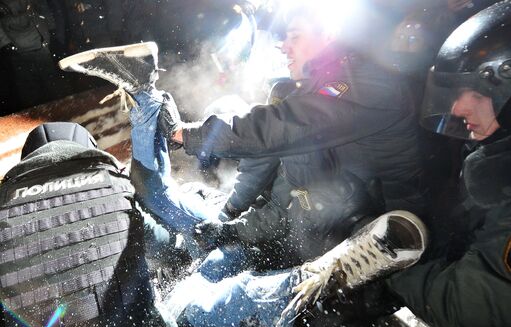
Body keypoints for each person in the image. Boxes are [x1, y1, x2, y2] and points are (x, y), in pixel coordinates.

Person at [58, 2, 427, 276]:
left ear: (329, 35)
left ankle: (146, 100)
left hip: (332, 237)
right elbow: (266, 161)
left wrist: (230, 229)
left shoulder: (367, 88)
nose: (284, 45)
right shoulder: (315, 91)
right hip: (283, 221)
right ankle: (144, 93)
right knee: (154, 192)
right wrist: (230, 213)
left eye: (294, 36)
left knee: (204, 278)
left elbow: (279, 139)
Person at [297, 1, 511, 327]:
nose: (459, 108)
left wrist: (387, 256)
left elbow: (468, 308)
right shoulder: (503, 158)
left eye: (476, 93)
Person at [0, 122, 179, 327]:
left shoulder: (4, 203)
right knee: (165, 325)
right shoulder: (116, 186)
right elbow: (162, 244)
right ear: (87, 148)